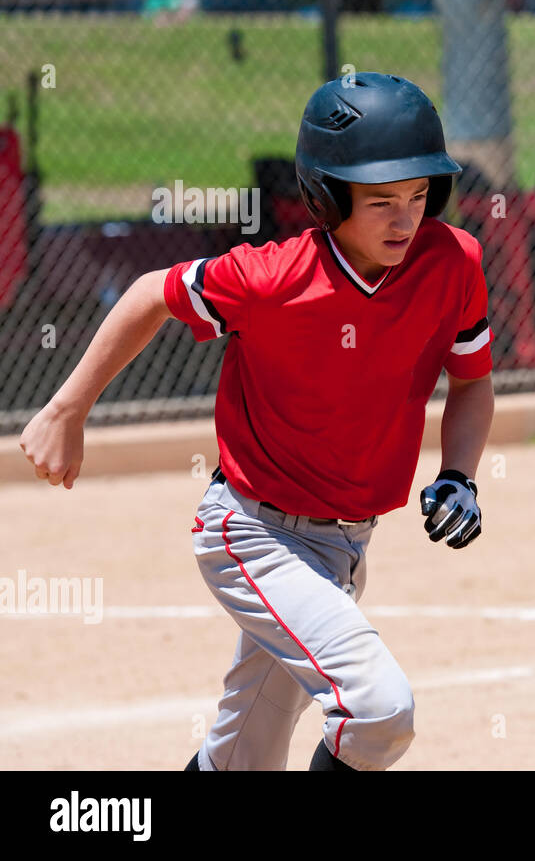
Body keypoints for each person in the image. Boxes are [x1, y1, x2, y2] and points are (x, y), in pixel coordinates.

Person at [18, 72, 496, 770]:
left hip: (342, 549)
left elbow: (473, 382)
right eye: (382, 200)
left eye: (420, 195)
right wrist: (67, 408)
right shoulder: (273, 278)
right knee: (379, 708)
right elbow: (154, 292)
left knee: (242, 758)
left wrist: (460, 476)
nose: (406, 219)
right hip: (252, 532)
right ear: (327, 198)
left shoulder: (453, 263)